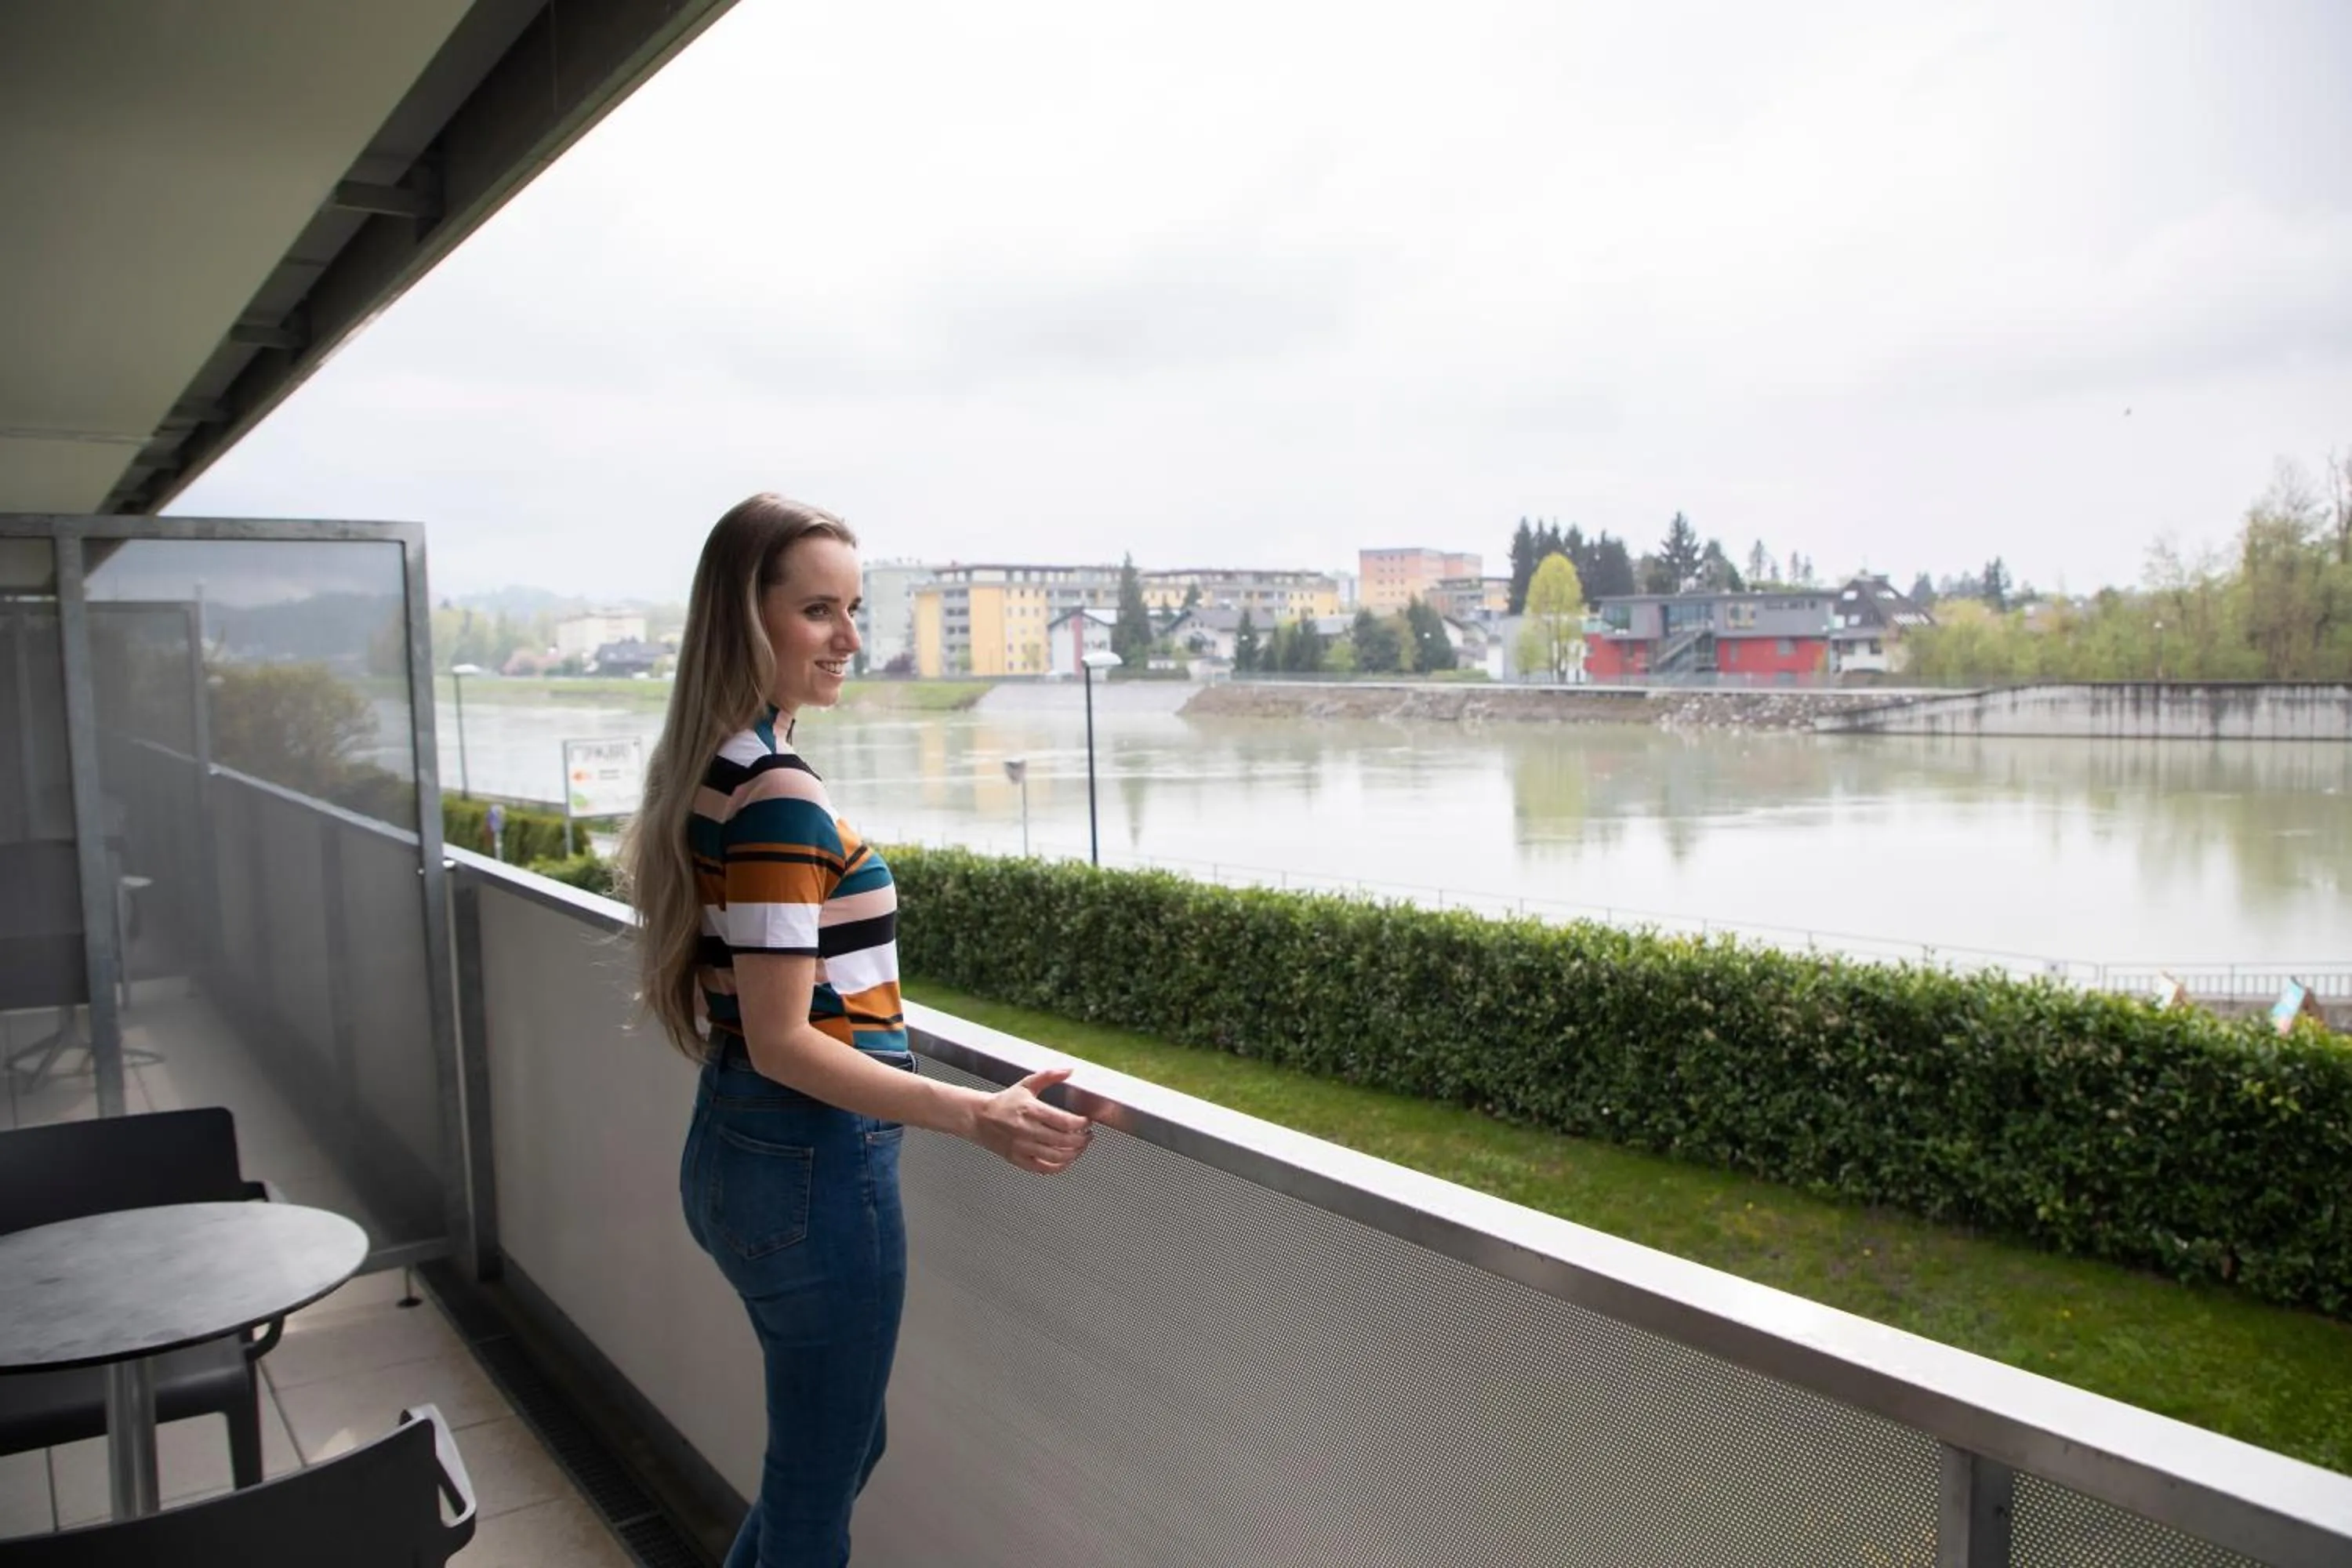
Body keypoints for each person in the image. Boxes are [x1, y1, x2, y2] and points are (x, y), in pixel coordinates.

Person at [620, 494, 1093, 1566]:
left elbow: (779, 1003)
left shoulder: (714, 763)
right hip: (810, 1162)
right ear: (747, 620)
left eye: (855, 609)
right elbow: (791, 1037)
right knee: (813, 1503)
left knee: (828, 1463)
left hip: (739, 1146)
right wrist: (975, 1115)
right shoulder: (780, 790)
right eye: (819, 611)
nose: (849, 639)